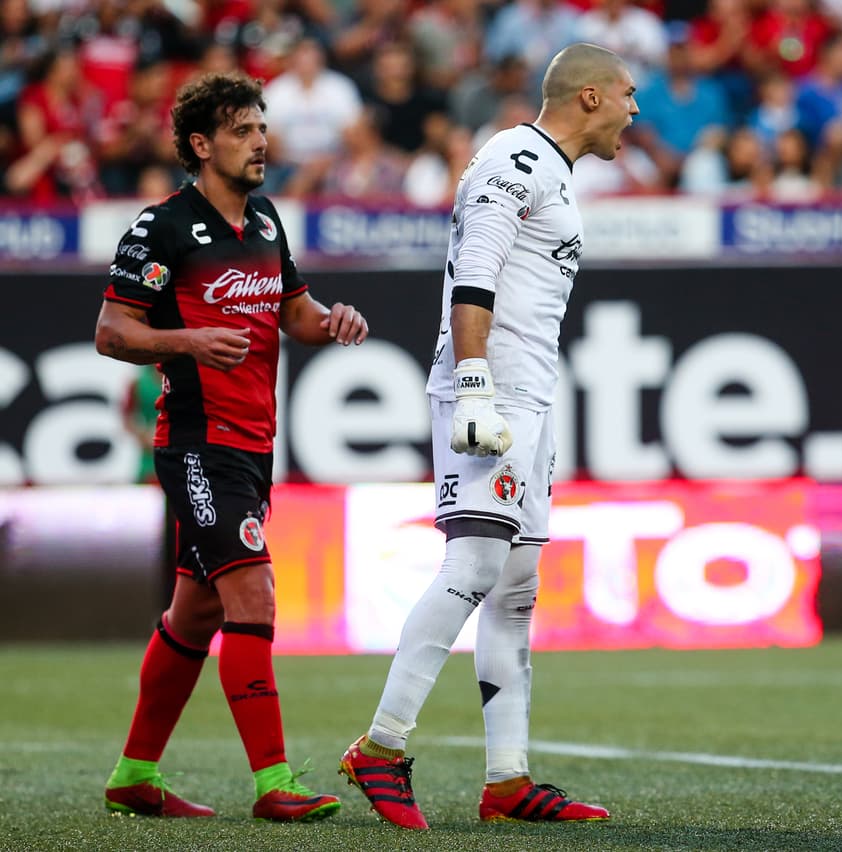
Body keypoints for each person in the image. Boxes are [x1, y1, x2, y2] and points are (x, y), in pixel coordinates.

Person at [338, 42, 635, 831]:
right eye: (629, 95)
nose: (637, 111)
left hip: (530, 394)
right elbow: (477, 270)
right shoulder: (515, 156)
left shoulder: (556, 174)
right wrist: (474, 381)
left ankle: (508, 780)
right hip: (492, 391)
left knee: (517, 586)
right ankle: (382, 745)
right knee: (473, 564)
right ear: (592, 97)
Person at [95, 71, 368, 822]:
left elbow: (296, 314)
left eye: (261, 128)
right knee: (253, 593)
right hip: (196, 444)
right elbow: (112, 333)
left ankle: (132, 774)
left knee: (193, 614)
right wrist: (185, 339)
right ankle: (274, 783)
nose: (261, 142)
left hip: (253, 446)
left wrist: (333, 320)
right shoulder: (162, 228)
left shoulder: (267, 222)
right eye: (244, 130)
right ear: (200, 144)